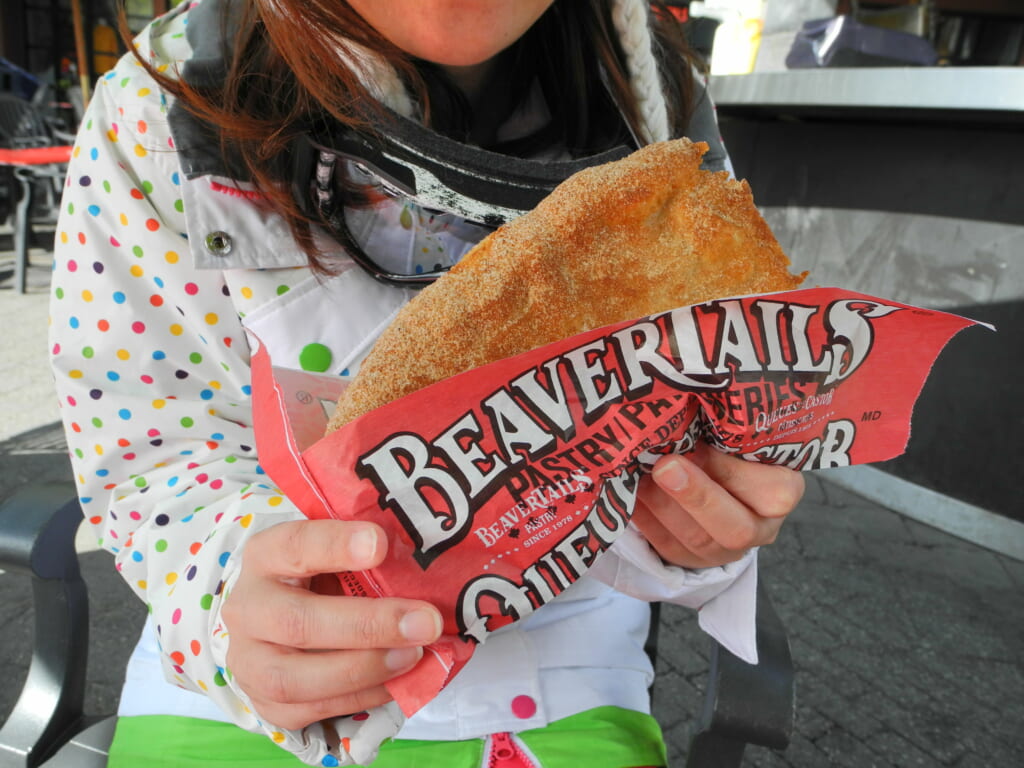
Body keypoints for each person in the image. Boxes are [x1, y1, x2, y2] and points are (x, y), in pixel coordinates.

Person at [48, 0, 805, 766]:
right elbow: (151, 445)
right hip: (232, 685)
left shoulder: (655, 96)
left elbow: (711, 390)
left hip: (556, 674)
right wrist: (227, 603)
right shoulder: (163, 100)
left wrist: (696, 524)